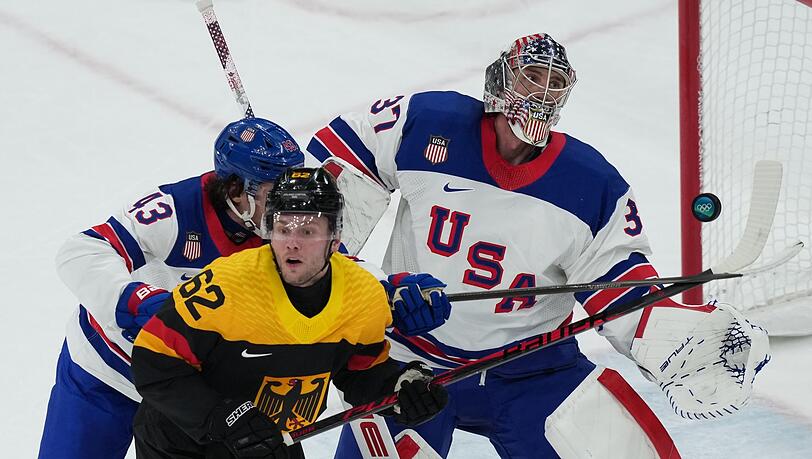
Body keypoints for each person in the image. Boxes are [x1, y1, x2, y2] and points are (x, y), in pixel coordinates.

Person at [307, 33, 770, 458]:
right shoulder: (426, 122)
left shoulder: (591, 182)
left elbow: (620, 288)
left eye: (555, 84)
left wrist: (679, 338)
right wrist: (369, 287)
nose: (542, 93)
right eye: (532, 76)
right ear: (501, 80)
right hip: (408, 365)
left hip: (533, 370)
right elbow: (332, 173)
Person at [130, 167, 449, 458]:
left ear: (335, 238)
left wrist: (401, 388)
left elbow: (360, 371)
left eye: (307, 231)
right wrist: (222, 416)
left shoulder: (362, 295)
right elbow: (152, 360)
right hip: (184, 444)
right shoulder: (226, 285)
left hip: (272, 440)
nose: (292, 244)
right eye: (283, 229)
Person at [37, 117, 306, 459]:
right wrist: (139, 302)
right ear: (236, 191)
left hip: (186, 391)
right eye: (275, 193)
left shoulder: (294, 230)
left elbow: (339, 280)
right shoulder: (174, 210)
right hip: (108, 373)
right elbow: (82, 251)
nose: (291, 207)